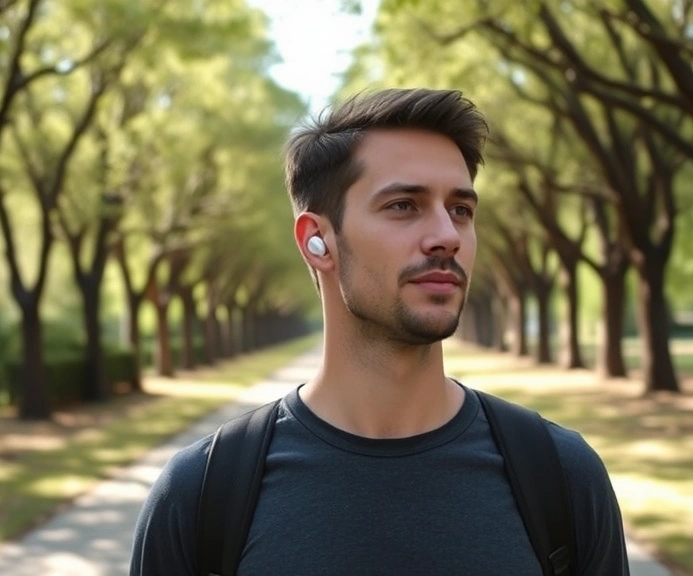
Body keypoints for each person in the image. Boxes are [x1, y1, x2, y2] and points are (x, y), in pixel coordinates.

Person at [130, 88, 629, 575]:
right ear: (318, 241)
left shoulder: (560, 478)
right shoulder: (202, 495)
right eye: (404, 206)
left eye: (461, 210)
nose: (447, 237)